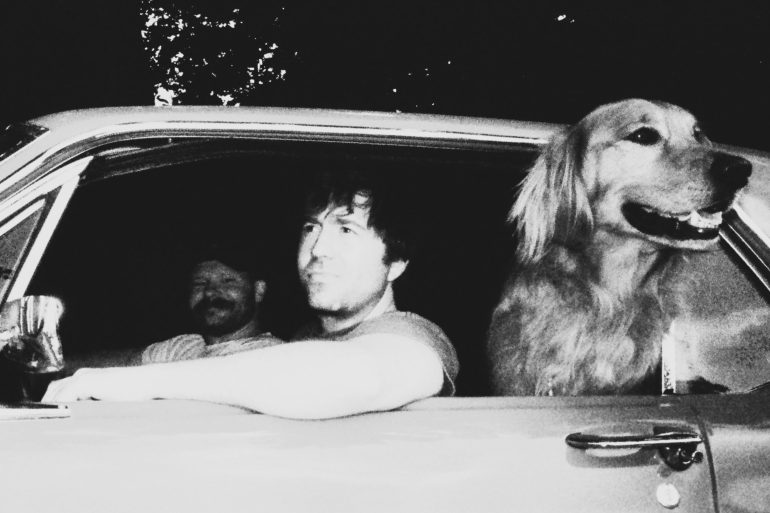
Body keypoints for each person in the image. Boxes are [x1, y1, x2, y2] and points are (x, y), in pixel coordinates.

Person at [43, 170, 459, 419]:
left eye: (346, 230)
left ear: (395, 263)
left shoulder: (414, 337)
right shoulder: (306, 336)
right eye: (311, 228)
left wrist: (135, 383)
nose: (318, 248)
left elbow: (359, 377)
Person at [64, 245, 281, 370]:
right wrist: (52, 364)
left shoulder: (273, 355)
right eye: (200, 283)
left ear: (258, 291)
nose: (210, 292)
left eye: (227, 281)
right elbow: (123, 362)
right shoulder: (185, 346)